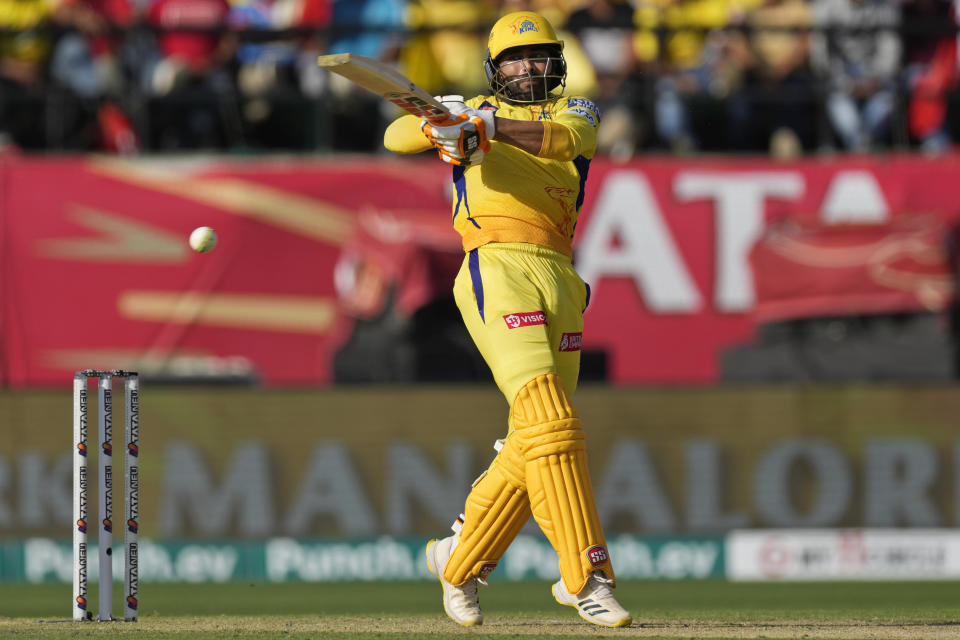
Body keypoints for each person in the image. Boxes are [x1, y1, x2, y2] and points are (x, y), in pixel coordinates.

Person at [383, 10, 631, 629]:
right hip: (496, 265)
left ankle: (458, 561)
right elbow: (395, 138)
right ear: (496, 69)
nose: (530, 66)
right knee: (551, 419)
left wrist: (486, 127)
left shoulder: (580, 112)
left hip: (561, 277)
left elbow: (562, 144)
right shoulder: (469, 107)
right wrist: (442, 125)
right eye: (517, 59)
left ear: (559, 62)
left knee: (534, 441)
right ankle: (587, 576)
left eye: (541, 55)